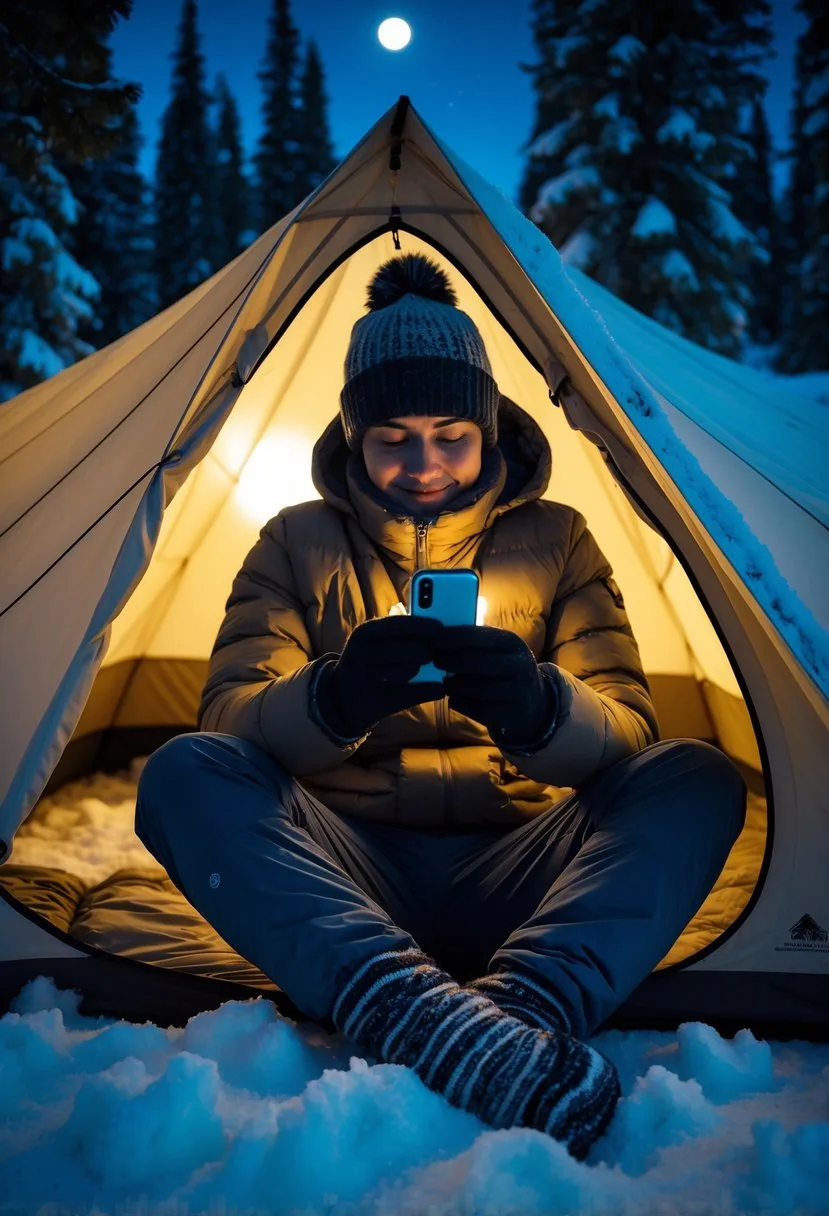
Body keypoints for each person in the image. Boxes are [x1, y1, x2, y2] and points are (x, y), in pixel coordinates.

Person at [136, 253, 747, 1159]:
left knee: (694, 777)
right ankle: (408, 1007)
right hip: (346, 872)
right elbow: (230, 715)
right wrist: (334, 702)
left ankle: (513, 1014)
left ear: (489, 427)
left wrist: (542, 712)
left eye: (450, 432)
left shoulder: (559, 539)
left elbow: (628, 726)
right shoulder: (295, 542)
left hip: (522, 864)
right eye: (391, 437)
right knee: (183, 774)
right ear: (353, 436)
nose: (423, 463)